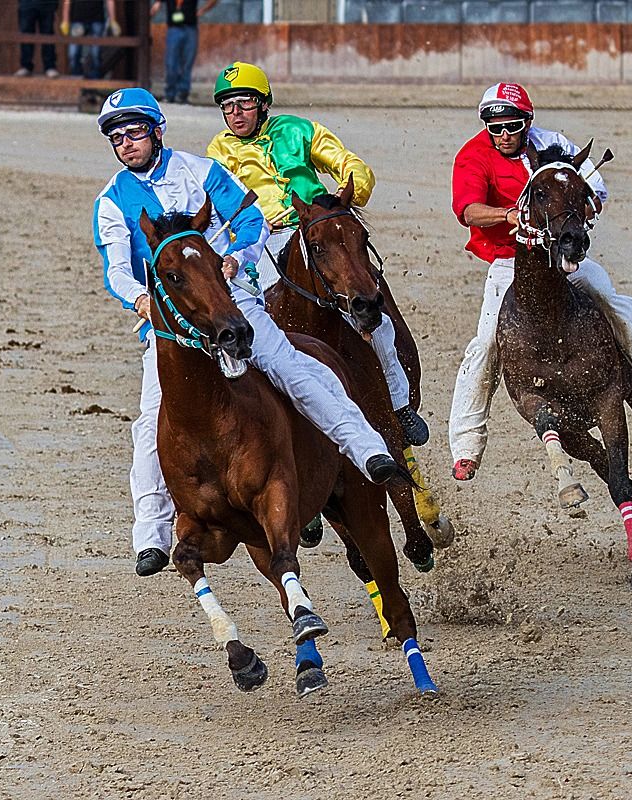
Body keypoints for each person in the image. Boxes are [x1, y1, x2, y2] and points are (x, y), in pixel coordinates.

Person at [92, 88, 407, 576]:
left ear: (157, 131)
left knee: (290, 368)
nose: (126, 143)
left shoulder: (202, 171)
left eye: (134, 132)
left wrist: (237, 258)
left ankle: (366, 449)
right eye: (117, 137)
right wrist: (141, 300)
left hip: (233, 299)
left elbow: (250, 219)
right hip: (174, 320)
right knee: (150, 417)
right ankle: (150, 532)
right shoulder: (111, 201)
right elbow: (116, 269)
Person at [448, 82, 632, 482]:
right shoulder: (474, 156)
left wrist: (587, 206)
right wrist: (509, 217)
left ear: (527, 122)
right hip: (510, 263)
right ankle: (467, 445)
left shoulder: (552, 143)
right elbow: (469, 211)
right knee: (487, 341)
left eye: (512, 125)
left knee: (613, 301)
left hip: (563, 256)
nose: (504, 135)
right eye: (495, 127)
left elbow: (596, 186)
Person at [204, 61, 430, 447]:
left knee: (370, 307)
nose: (235, 113)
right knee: (240, 307)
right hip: (263, 238)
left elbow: (348, 163)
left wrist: (342, 197)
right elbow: (221, 204)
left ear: (263, 104)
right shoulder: (217, 150)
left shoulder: (298, 129)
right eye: (227, 106)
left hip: (318, 230)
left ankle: (399, 405)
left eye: (243, 103)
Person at [150, 0, 217, 103]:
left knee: (187, 62)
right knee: (171, 62)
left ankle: (182, 94)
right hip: (174, 28)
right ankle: (170, 94)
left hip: (190, 27)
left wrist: (202, 11)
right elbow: (156, 6)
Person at [60, 0, 117, 80]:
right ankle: (76, 78)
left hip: (97, 19)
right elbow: (67, 1)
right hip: (77, 19)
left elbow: (110, 1)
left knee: (96, 53)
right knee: (73, 53)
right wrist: (65, 20)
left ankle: (95, 80)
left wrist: (113, 20)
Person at [16, 0, 59, 78]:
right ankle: (26, 66)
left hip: (47, 4)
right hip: (27, 4)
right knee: (26, 34)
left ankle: (50, 66)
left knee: (48, 34)